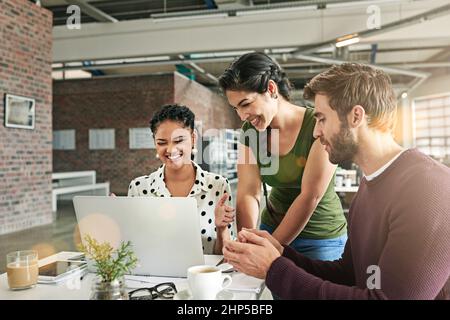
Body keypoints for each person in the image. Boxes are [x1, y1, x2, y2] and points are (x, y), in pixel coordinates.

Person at [223, 63, 450, 299]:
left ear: (356, 116)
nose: (315, 131)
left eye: (321, 119)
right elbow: (349, 274)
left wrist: (275, 269)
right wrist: (281, 254)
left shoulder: (430, 190)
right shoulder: (369, 186)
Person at [218, 52, 347, 261]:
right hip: (270, 228)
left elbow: (309, 196)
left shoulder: (318, 124)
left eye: (246, 104)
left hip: (320, 239)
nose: (242, 116)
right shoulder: (250, 132)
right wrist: (248, 240)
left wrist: (268, 248)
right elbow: (249, 192)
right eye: (236, 109)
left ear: (270, 89)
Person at [128, 104, 235, 255]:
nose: (171, 150)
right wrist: (119, 223)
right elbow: (134, 250)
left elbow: (224, 257)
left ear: (193, 139)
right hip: (155, 277)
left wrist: (222, 228)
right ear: (154, 143)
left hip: (202, 277)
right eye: (162, 142)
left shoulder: (217, 186)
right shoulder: (139, 188)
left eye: (178, 141)